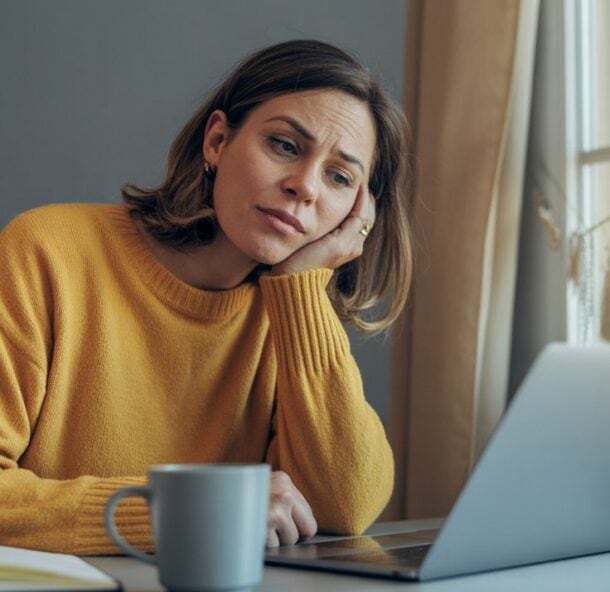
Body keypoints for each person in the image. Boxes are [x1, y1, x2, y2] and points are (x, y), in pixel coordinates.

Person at [0, 39, 413, 555]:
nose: (304, 186)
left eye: (339, 177)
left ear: (357, 213)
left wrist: (301, 292)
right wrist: (187, 513)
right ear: (217, 140)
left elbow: (346, 506)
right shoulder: (47, 251)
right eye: (285, 145)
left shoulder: (288, 315)